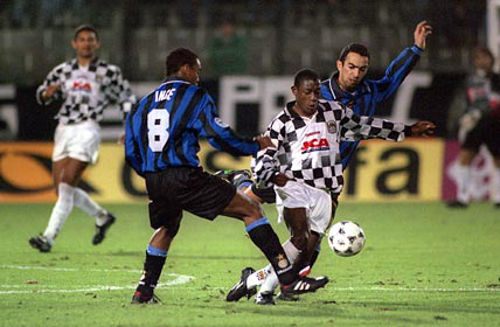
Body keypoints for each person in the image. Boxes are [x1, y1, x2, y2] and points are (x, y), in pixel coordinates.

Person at [224, 21, 433, 302]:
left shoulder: (367, 93)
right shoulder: (319, 95)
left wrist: (415, 50)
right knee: (255, 204)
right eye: (351, 67)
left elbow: (390, 83)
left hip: (328, 180)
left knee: (308, 248)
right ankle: (241, 181)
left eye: (362, 69)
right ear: (339, 65)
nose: (356, 74)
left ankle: (260, 284)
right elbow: (284, 132)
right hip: (295, 172)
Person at [125, 48, 329, 304]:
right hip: (185, 176)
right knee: (251, 210)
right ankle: (287, 279)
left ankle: (144, 290)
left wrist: (152, 174)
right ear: (186, 68)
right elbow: (218, 135)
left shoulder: (143, 103)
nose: (198, 77)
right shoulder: (194, 94)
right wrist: (254, 145)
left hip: (154, 179)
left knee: (167, 226)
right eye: (197, 70)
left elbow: (132, 150)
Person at [29, 25, 136, 252]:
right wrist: (46, 94)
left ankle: (48, 237)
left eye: (90, 40)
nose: (86, 43)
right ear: (74, 44)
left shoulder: (109, 72)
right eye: (82, 40)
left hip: (88, 128)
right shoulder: (63, 70)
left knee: (66, 185)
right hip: (64, 129)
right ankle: (102, 216)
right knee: (60, 189)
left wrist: (129, 126)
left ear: (96, 44)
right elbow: (42, 94)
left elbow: (127, 99)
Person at [447, 47, 500, 208]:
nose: (483, 61)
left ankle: (499, 198)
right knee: (465, 156)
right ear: (475, 61)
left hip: (494, 123)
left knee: (498, 159)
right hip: (474, 125)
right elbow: (463, 101)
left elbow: (496, 101)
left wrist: (478, 113)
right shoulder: (469, 80)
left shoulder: (497, 79)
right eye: (479, 58)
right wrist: (462, 118)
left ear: (492, 60)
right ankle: (462, 197)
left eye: (486, 58)